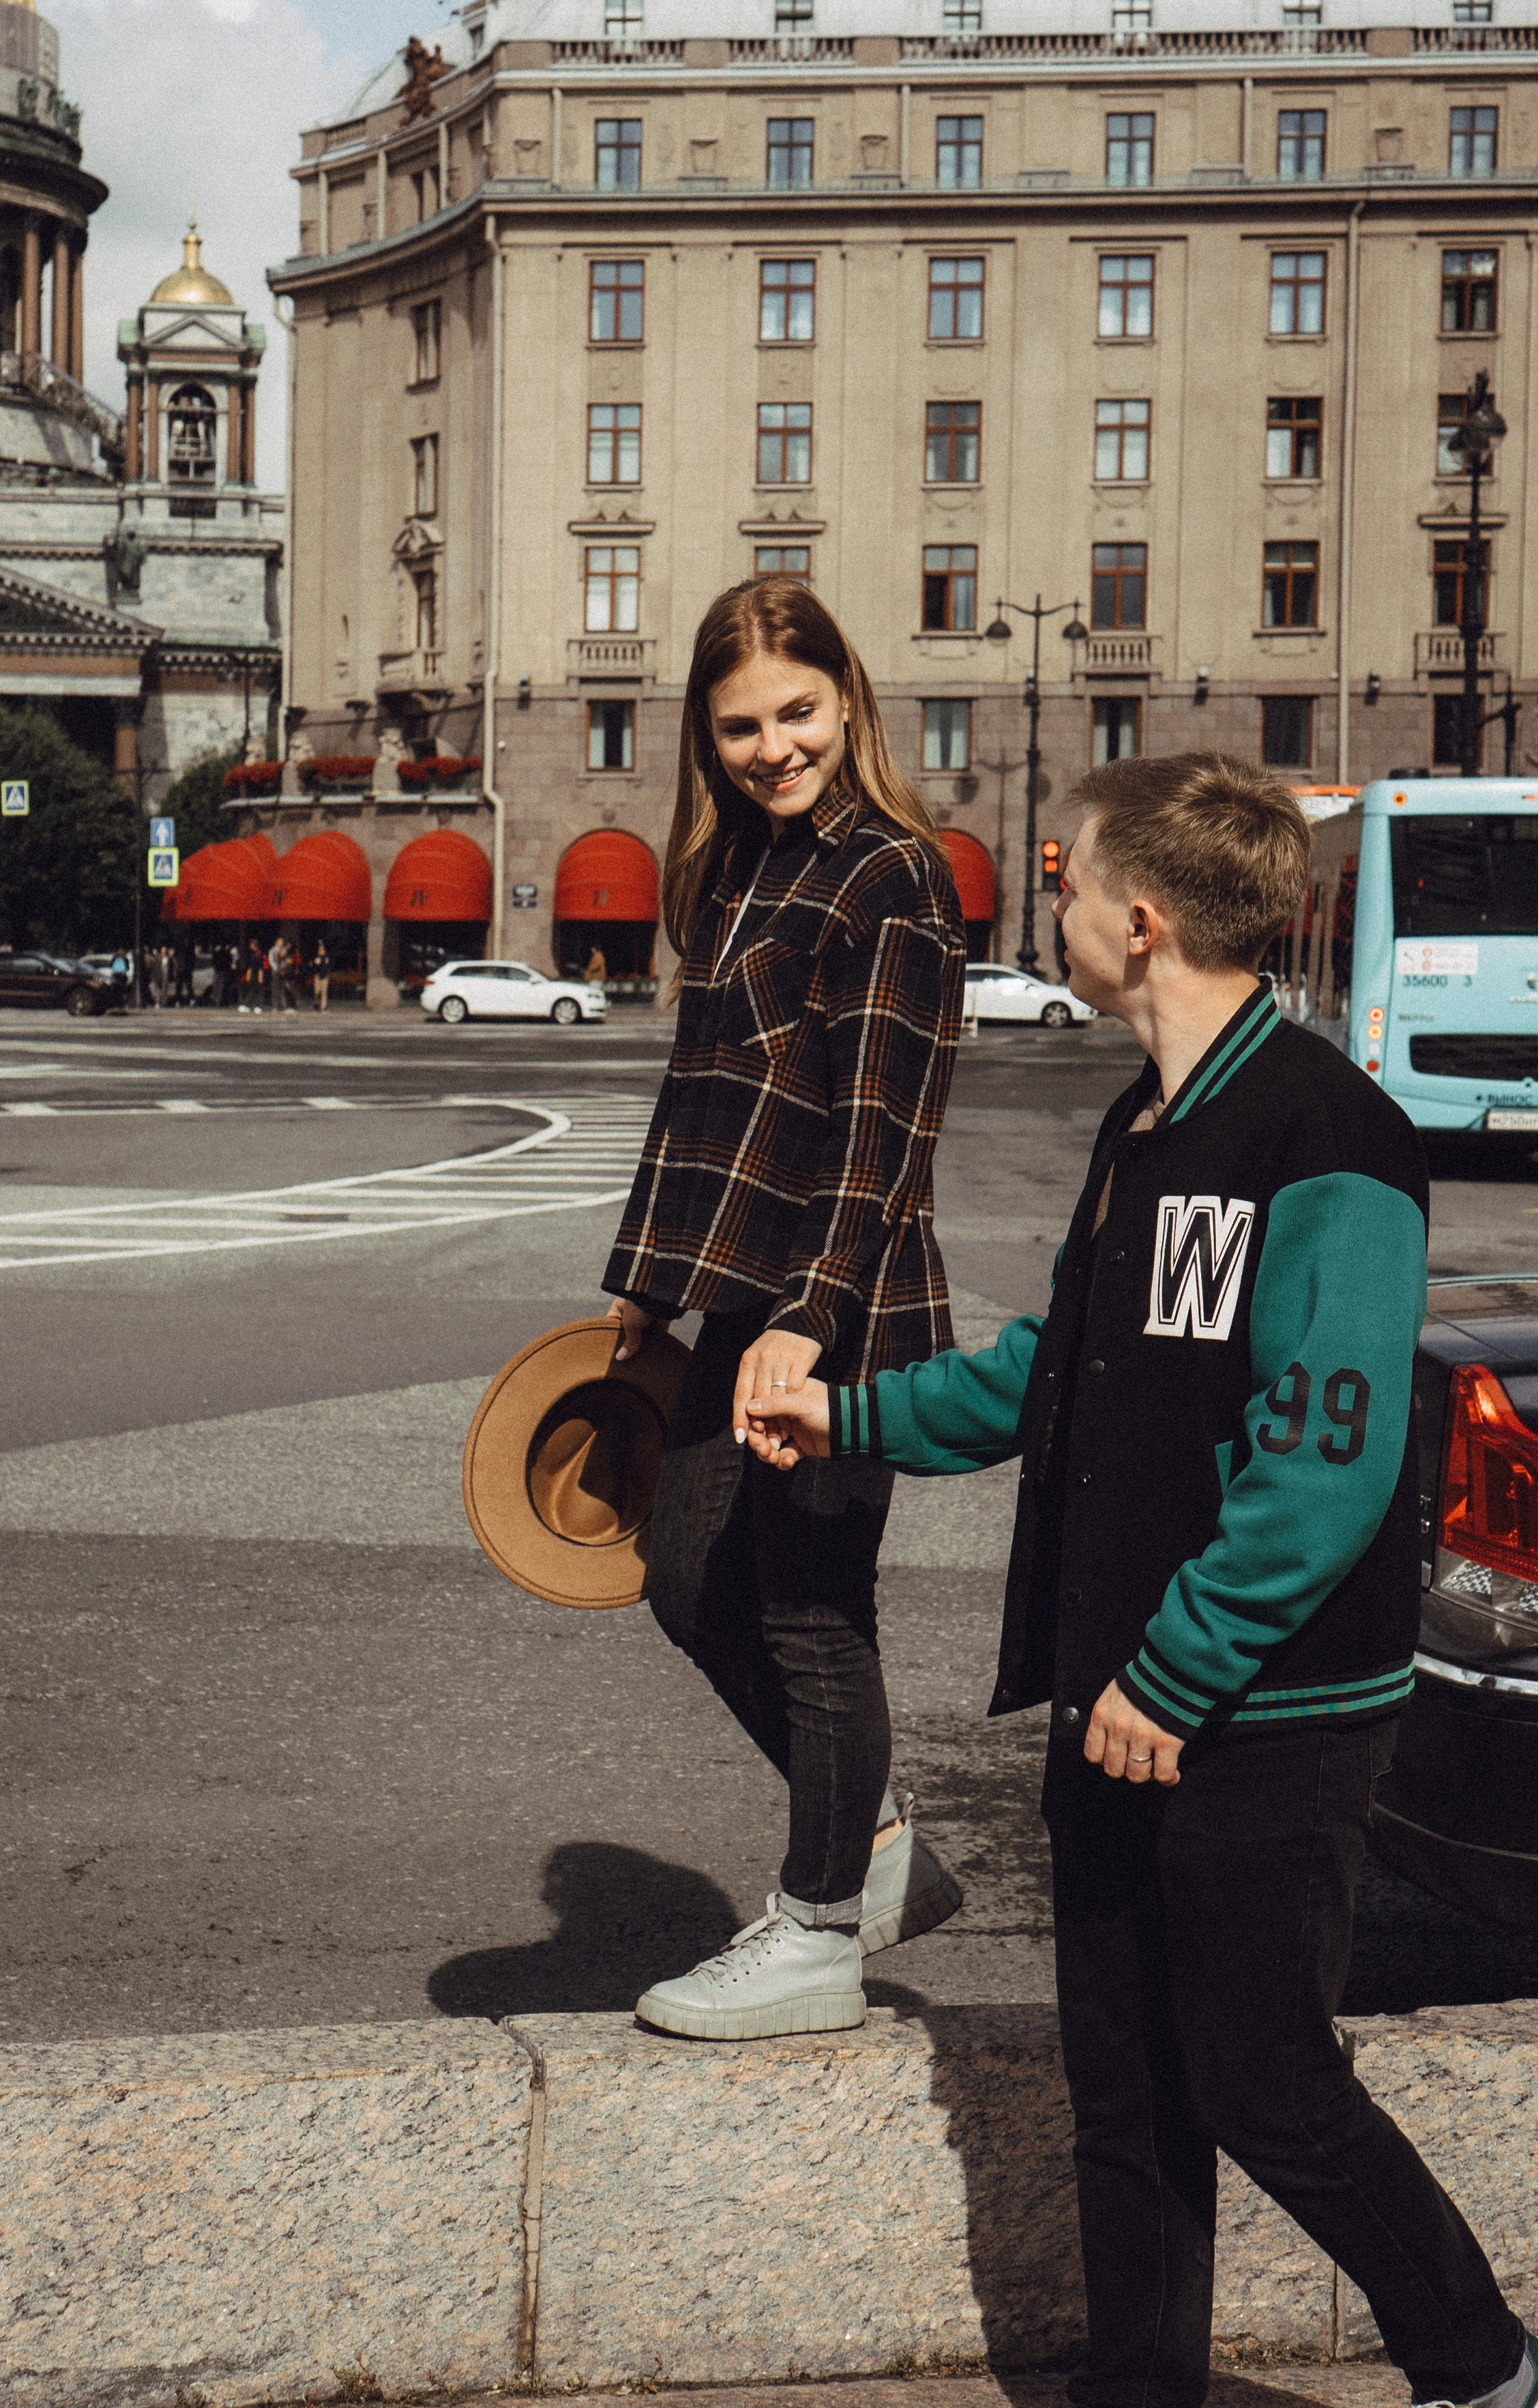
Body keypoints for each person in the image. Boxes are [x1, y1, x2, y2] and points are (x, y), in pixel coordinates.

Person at [744, 752, 1538, 2408]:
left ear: (1138, 913)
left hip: (1260, 1707)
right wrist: (846, 1415)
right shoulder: (1142, 1123)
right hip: (1116, 1691)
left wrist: (1172, 1674)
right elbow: (1059, 1374)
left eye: (1060, 873)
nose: (1043, 898)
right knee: (1120, 2089)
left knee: (1263, 2079)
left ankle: (1491, 2371)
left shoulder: (1329, 1136)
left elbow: (1317, 1464)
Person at [602, 576, 968, 2043]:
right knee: (685, 1581)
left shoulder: (893, 873)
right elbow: (703, 1108)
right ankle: (871, 1850)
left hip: (844, 1306)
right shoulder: (742, 869)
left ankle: (817, 1930)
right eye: (741, 724)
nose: (773, 747)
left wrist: (807, 1320)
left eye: (797, 713)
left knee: (815, 1617)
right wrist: (646, 1288)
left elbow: (881, 1135)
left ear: (847, 699)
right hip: (740, 1300)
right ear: (704, 731)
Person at [312, 939, 331, 1011]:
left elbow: (328, 966)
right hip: (317, 975)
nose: (321, 949)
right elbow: (314, 966)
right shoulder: (316, 957)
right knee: (317, 991)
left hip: (324, 976)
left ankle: (324, 1006)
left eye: (322, 948)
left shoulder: (327, 957)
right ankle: (316, 1003)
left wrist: (327, 974)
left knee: (324, 992)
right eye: (320, 948)